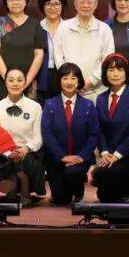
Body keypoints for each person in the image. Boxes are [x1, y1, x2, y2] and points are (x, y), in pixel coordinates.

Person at [91, 53, 129, 203]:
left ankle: (128, 187)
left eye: (120, 70)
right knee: (102, 181)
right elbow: (99, 129)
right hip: (109, 154)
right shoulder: (101, 98)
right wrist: (104, 153)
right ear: (105, 73)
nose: (115, 74)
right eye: (111, 70)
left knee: (103, 179)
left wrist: (117, 155)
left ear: (126, 73)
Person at [41, 62, 100, 205]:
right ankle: (66, 189)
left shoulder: (88, 105)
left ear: (79, 81)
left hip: (80, 158)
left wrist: (81, 156)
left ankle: (79, 191)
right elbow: (47, 133)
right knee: (60, 200)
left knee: (72, 172)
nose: (69, 82)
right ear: (59, 80)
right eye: (65, 78)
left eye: (73, 78)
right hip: (56, 159)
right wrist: (62, 156)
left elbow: (94, 135)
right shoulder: (49, 104)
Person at [0, 68, 45, 205]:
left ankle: (25, 189)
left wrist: (26, 148)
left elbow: (38, 138)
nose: (15, 84)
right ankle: (13, 188)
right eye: (11, 80)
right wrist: (8, 153)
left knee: (25, 161)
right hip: (4, 153)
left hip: (28, 152)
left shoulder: (35, 107)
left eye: (20, 80)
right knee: (9, 163)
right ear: (5, 83)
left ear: (25, 83)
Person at [0, 0, 46, 102]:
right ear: (6, 2)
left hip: (27, 81)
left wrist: (26, 80)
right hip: (2, 80)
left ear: (26, 0)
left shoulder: (35, 24)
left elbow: (39, 55)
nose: (16, 2)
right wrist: (9, 79)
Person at [54, 0, 115, 99]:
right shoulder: (63, 27)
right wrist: (69, 80)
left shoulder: (104, 29)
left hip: (97, 91)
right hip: (69, 90)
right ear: (75, 4)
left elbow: (108, 59)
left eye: (89, 2)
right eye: (81, 2)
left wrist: (91, 81)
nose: (85, 5)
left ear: (95, 4)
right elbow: (58, 56)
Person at [36, 0, 68, 101]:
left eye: (56, 4)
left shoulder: (69, 28)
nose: (52, 7)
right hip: (42, 75)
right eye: (48, 4)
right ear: (43, 6)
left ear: (62, 6)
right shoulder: (37, 28)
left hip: (64, 74)